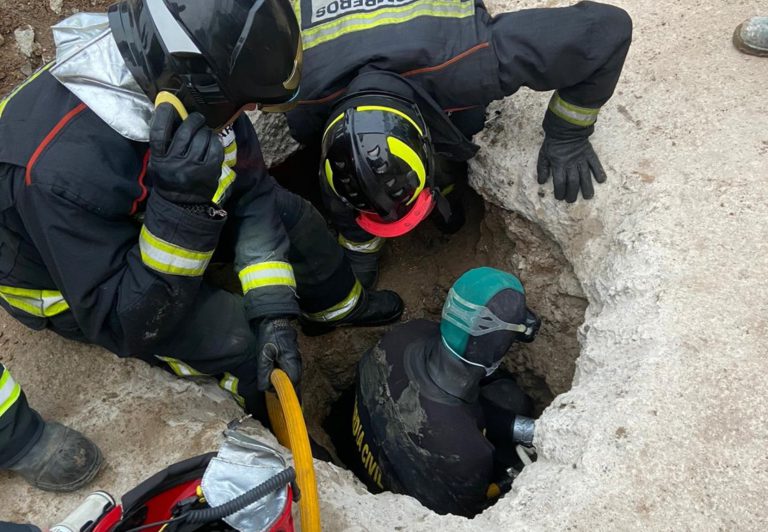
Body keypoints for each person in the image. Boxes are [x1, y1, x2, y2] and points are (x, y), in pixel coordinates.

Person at [0, 0, 403, 491]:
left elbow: (252, 193)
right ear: (198, 81)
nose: (251, 110)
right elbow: (125, 322)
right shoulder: (58, 173)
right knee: (240, 340)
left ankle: (336, 309)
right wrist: (181, 211)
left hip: (155, 210)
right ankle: (286, 440)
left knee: (291, 217)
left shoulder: (182, 85)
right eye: (246, 100)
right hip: (72, 285)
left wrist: (275, 308)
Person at [283, 0, 633, 288]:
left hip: (439, 54)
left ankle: (447, 175)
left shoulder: (471, 62)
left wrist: (567, 134)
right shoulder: (300, 107)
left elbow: (608, 29)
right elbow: (345, 171)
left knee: (468, 122)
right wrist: (359, 246)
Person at [340, 267, 541, 517]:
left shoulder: (406, 334)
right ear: (498, 346)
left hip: (360, 448)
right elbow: (467, 514)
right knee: (510, 398)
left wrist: (523, 428)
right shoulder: (467, 452)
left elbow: (463, 410)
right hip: (409, 503)